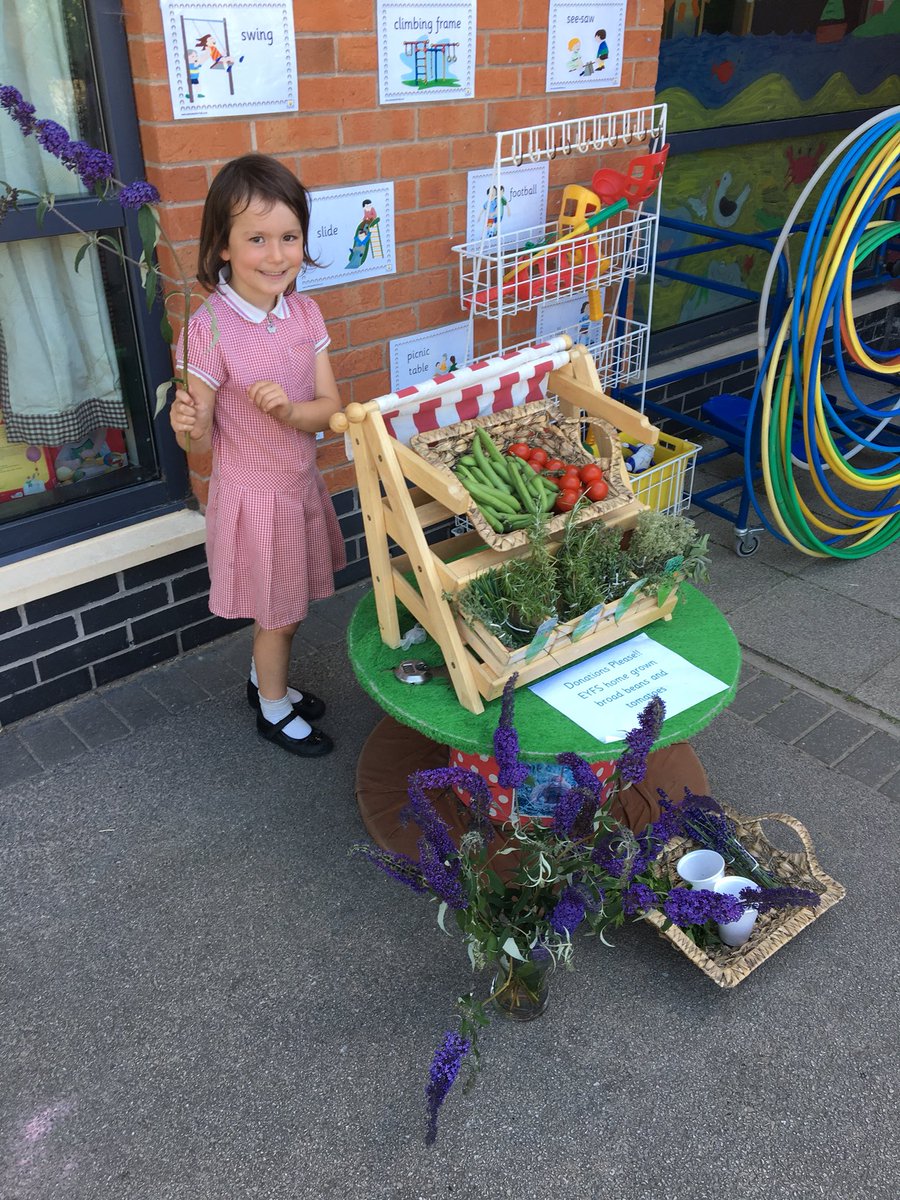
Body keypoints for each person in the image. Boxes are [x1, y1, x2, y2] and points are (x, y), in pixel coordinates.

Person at [169, 154, 345, 758]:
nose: (276, 255)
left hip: (298, 482)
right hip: (254, 497)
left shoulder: (304, 312)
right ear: (222, 246)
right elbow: (199, 441)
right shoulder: (208, 329)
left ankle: (261, 681)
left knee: (289, 609)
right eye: (257, 239)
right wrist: (185, 419)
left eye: (289, 237)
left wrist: (293, 414)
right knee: (279, 614)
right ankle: (272, 707)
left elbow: (331, 407)